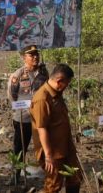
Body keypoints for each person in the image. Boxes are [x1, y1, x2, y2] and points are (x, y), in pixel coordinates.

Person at [30, 63, 80, 193]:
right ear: (59, 81)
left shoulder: (57, 93)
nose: (66, 87)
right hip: (52, 151)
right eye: (66, 84)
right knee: (54, 185)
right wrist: (48, 156)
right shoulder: (42, 98)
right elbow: (42, 128)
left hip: (65, 146)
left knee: (74, 178)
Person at [8, 45, 49, 185]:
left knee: (43, 145)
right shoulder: (17, 75)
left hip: (40, 117)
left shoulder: (44, 73)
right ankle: (15, 175)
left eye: (36, 54)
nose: (35, 57)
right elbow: (12, 96)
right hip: (22, 117)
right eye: (31, 55)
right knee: (20, 148)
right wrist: (25, 105)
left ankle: (48, 173)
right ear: (24, 58)